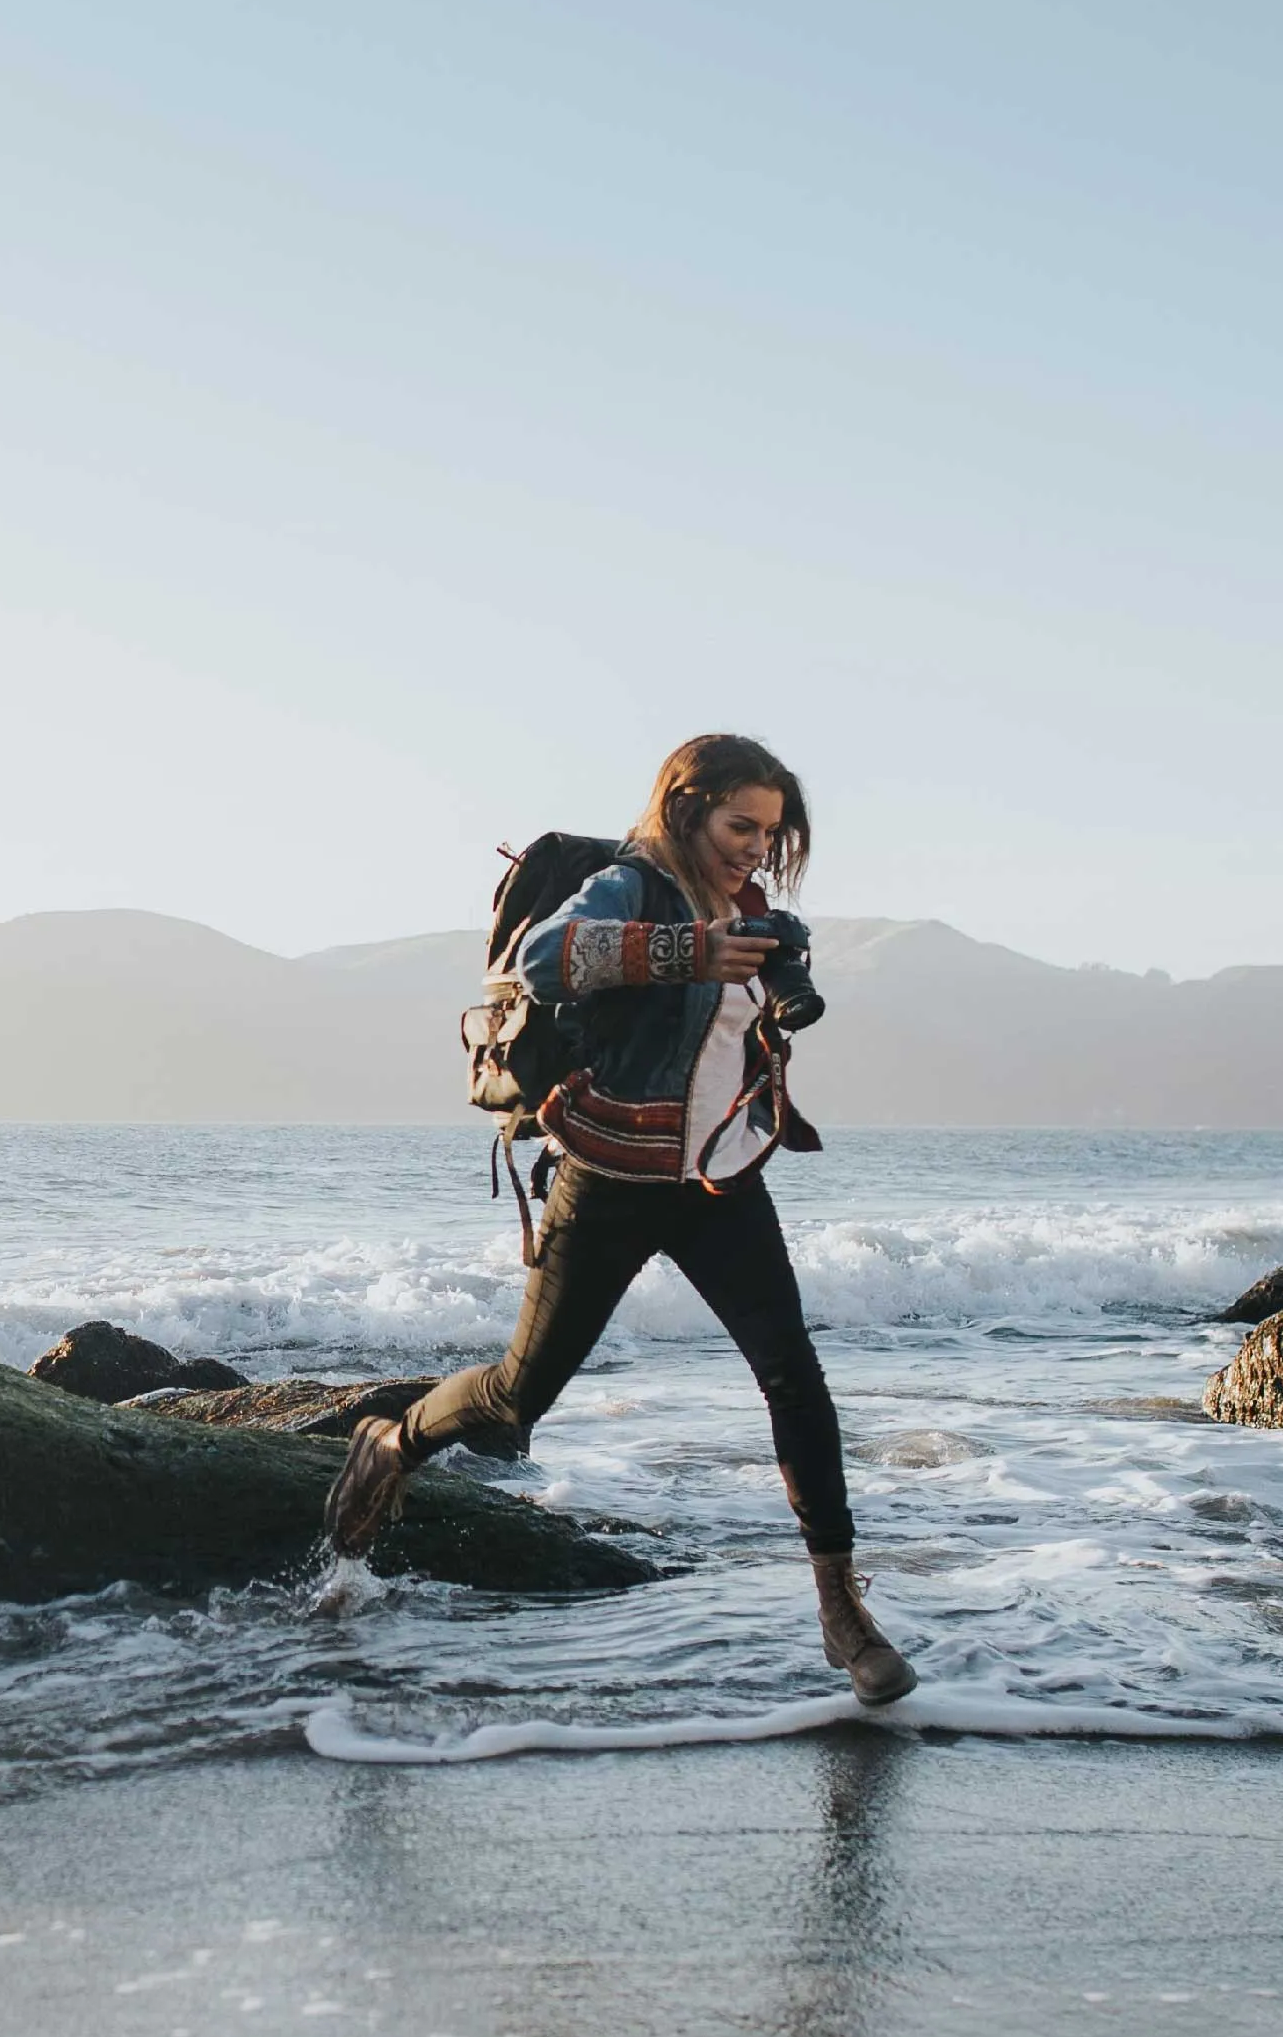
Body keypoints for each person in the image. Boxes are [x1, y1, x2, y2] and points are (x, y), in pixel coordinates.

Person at [321, 732, 915, 1707]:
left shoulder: (750, 905)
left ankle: (842, 1612)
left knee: (793, 1377)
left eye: (770, 832)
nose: (756, 847)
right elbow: (542, 960)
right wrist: (687, 952)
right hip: (607, 1169)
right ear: (687, 807)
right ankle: (391, 1441)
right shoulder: (630, 885)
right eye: (740, 825)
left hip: (719, 1177)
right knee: (517, 1398)